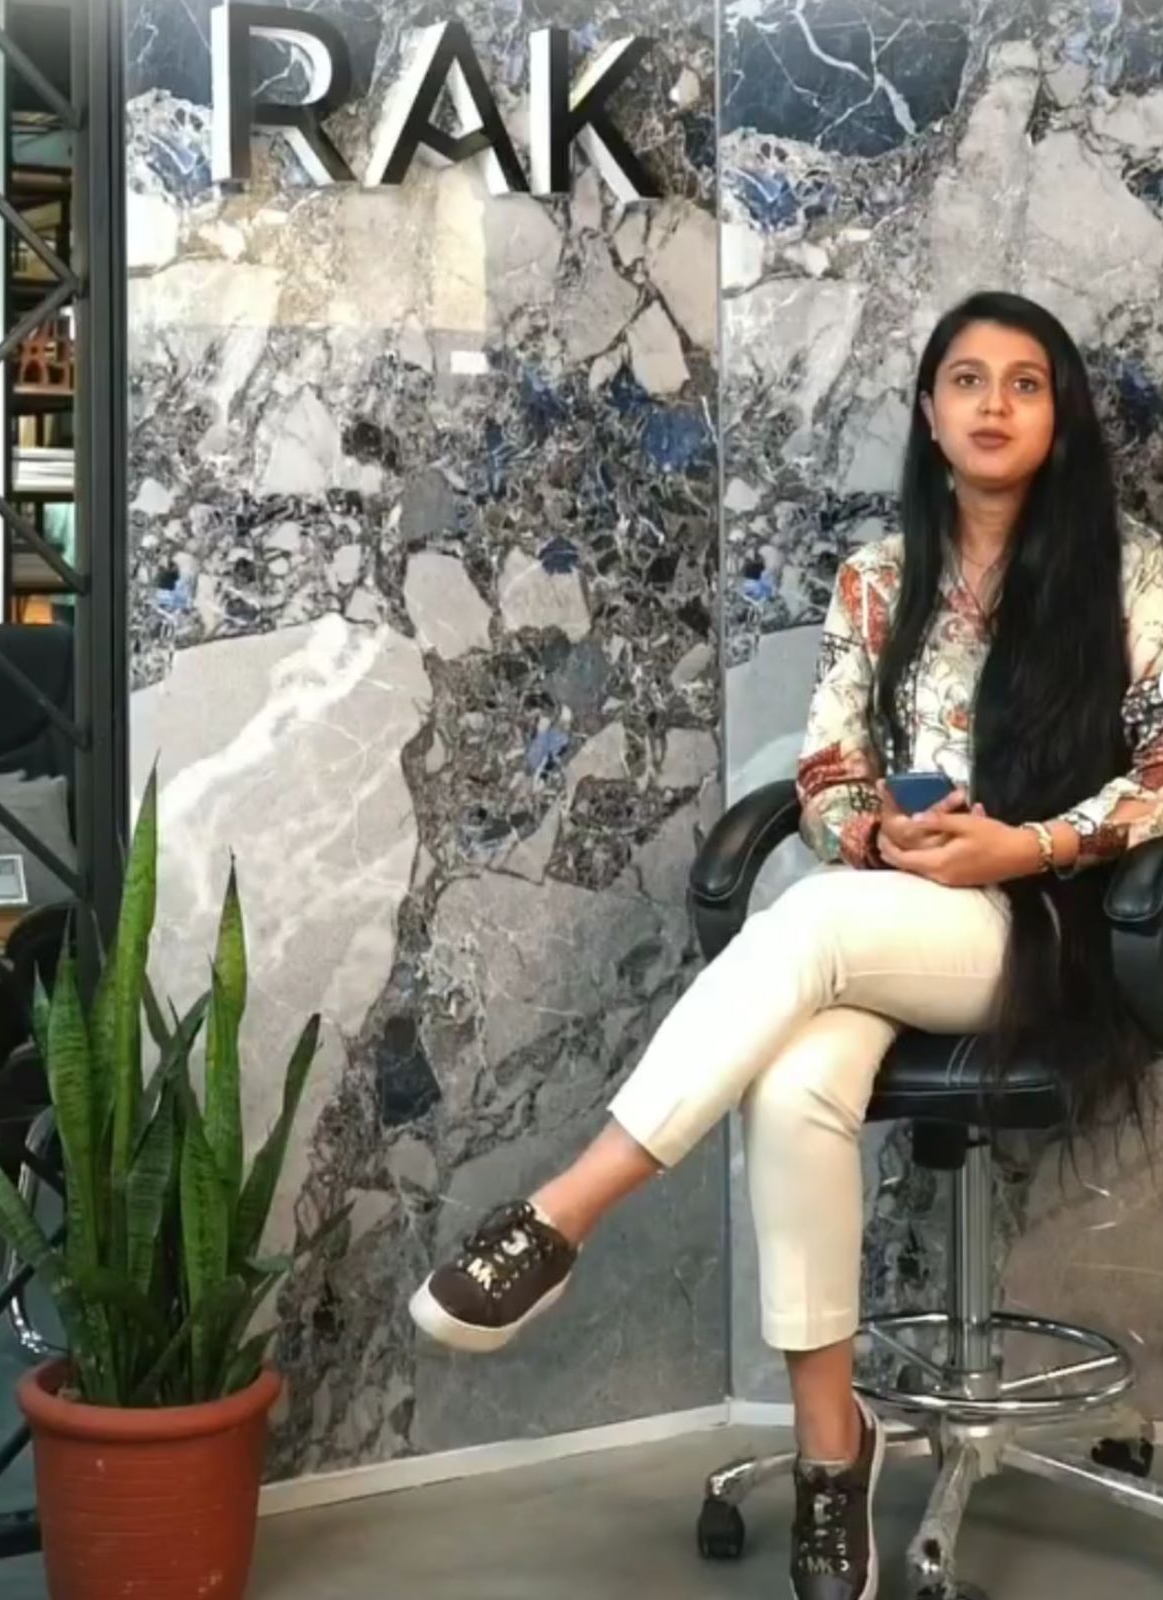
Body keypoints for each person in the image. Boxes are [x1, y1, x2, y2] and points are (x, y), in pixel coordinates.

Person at [408, 292, 1163, 1600]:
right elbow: (826, 767)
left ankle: (559, 1214)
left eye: (1025, 382)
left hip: (1046, 930)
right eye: (967, 379)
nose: (992, 404)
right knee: (799, 1079)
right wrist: (873, 831)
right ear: (928, 411)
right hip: (889, 912)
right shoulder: (879, 576)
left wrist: (1022, 847)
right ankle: (830, 1451)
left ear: (1062, 415)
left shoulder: (1135, 572)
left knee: (802, 920)